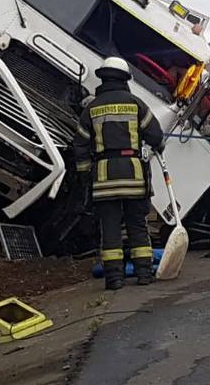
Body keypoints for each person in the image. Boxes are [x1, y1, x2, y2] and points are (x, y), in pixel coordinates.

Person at [74, 57, 165, 291]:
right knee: (137, 225)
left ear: (103, 78)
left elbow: (81, 146)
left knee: (110, 228)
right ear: (125, 79)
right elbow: (155, 136)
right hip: (134, 175)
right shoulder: (136, 104)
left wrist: (86, 176)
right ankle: (144, 273)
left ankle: (114, 278)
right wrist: (157, 145)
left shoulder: (91, 109)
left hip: (104, 178)